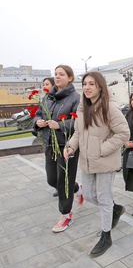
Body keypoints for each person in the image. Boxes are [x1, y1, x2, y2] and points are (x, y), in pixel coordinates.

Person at [64, 71, 130, 258]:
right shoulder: (82, 108)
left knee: (103, 197)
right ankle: (115, 208)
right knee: (90, 195)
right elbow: (78, 133)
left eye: (91, 84)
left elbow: (124, 133)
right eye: (85, 83)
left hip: (105, 162)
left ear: (100, 86)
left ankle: (106, 236)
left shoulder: (109, 107)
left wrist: (102, 149)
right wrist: (70, 147)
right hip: (86, 161)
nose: (87, 87)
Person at [33, 66, 82, 233]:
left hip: (67, 146)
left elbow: (79, 122)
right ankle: (78, 188)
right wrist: (38, 121)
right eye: (56, 74)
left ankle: (66, 215)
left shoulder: (76, 98)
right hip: (50, 144)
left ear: (70, 78)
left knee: (63, 182)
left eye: (61, 74)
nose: (57, 77)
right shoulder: (48, 97)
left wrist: (59, 125)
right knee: (52, 180)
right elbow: (39, 114)